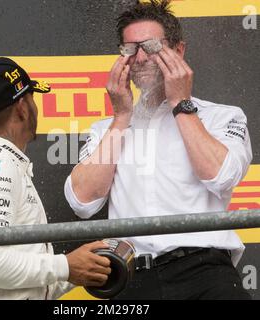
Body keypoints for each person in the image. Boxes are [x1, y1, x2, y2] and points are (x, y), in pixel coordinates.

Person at [64, 0, 253, 300]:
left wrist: (181, 103)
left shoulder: (223, 117)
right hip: (132, 278)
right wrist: (122, 118)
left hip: (205, 272)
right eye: (129, 49)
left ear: (178, 51)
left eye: (150, 46)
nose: (139, 58)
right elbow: (81, 201)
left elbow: (221, 176)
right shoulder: (106, 129)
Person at [0, 57, 111, 300]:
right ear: (22, 107)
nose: (35, 107)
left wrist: (79, 269)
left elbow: (24, 286)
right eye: (33, 97)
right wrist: (65, 266)